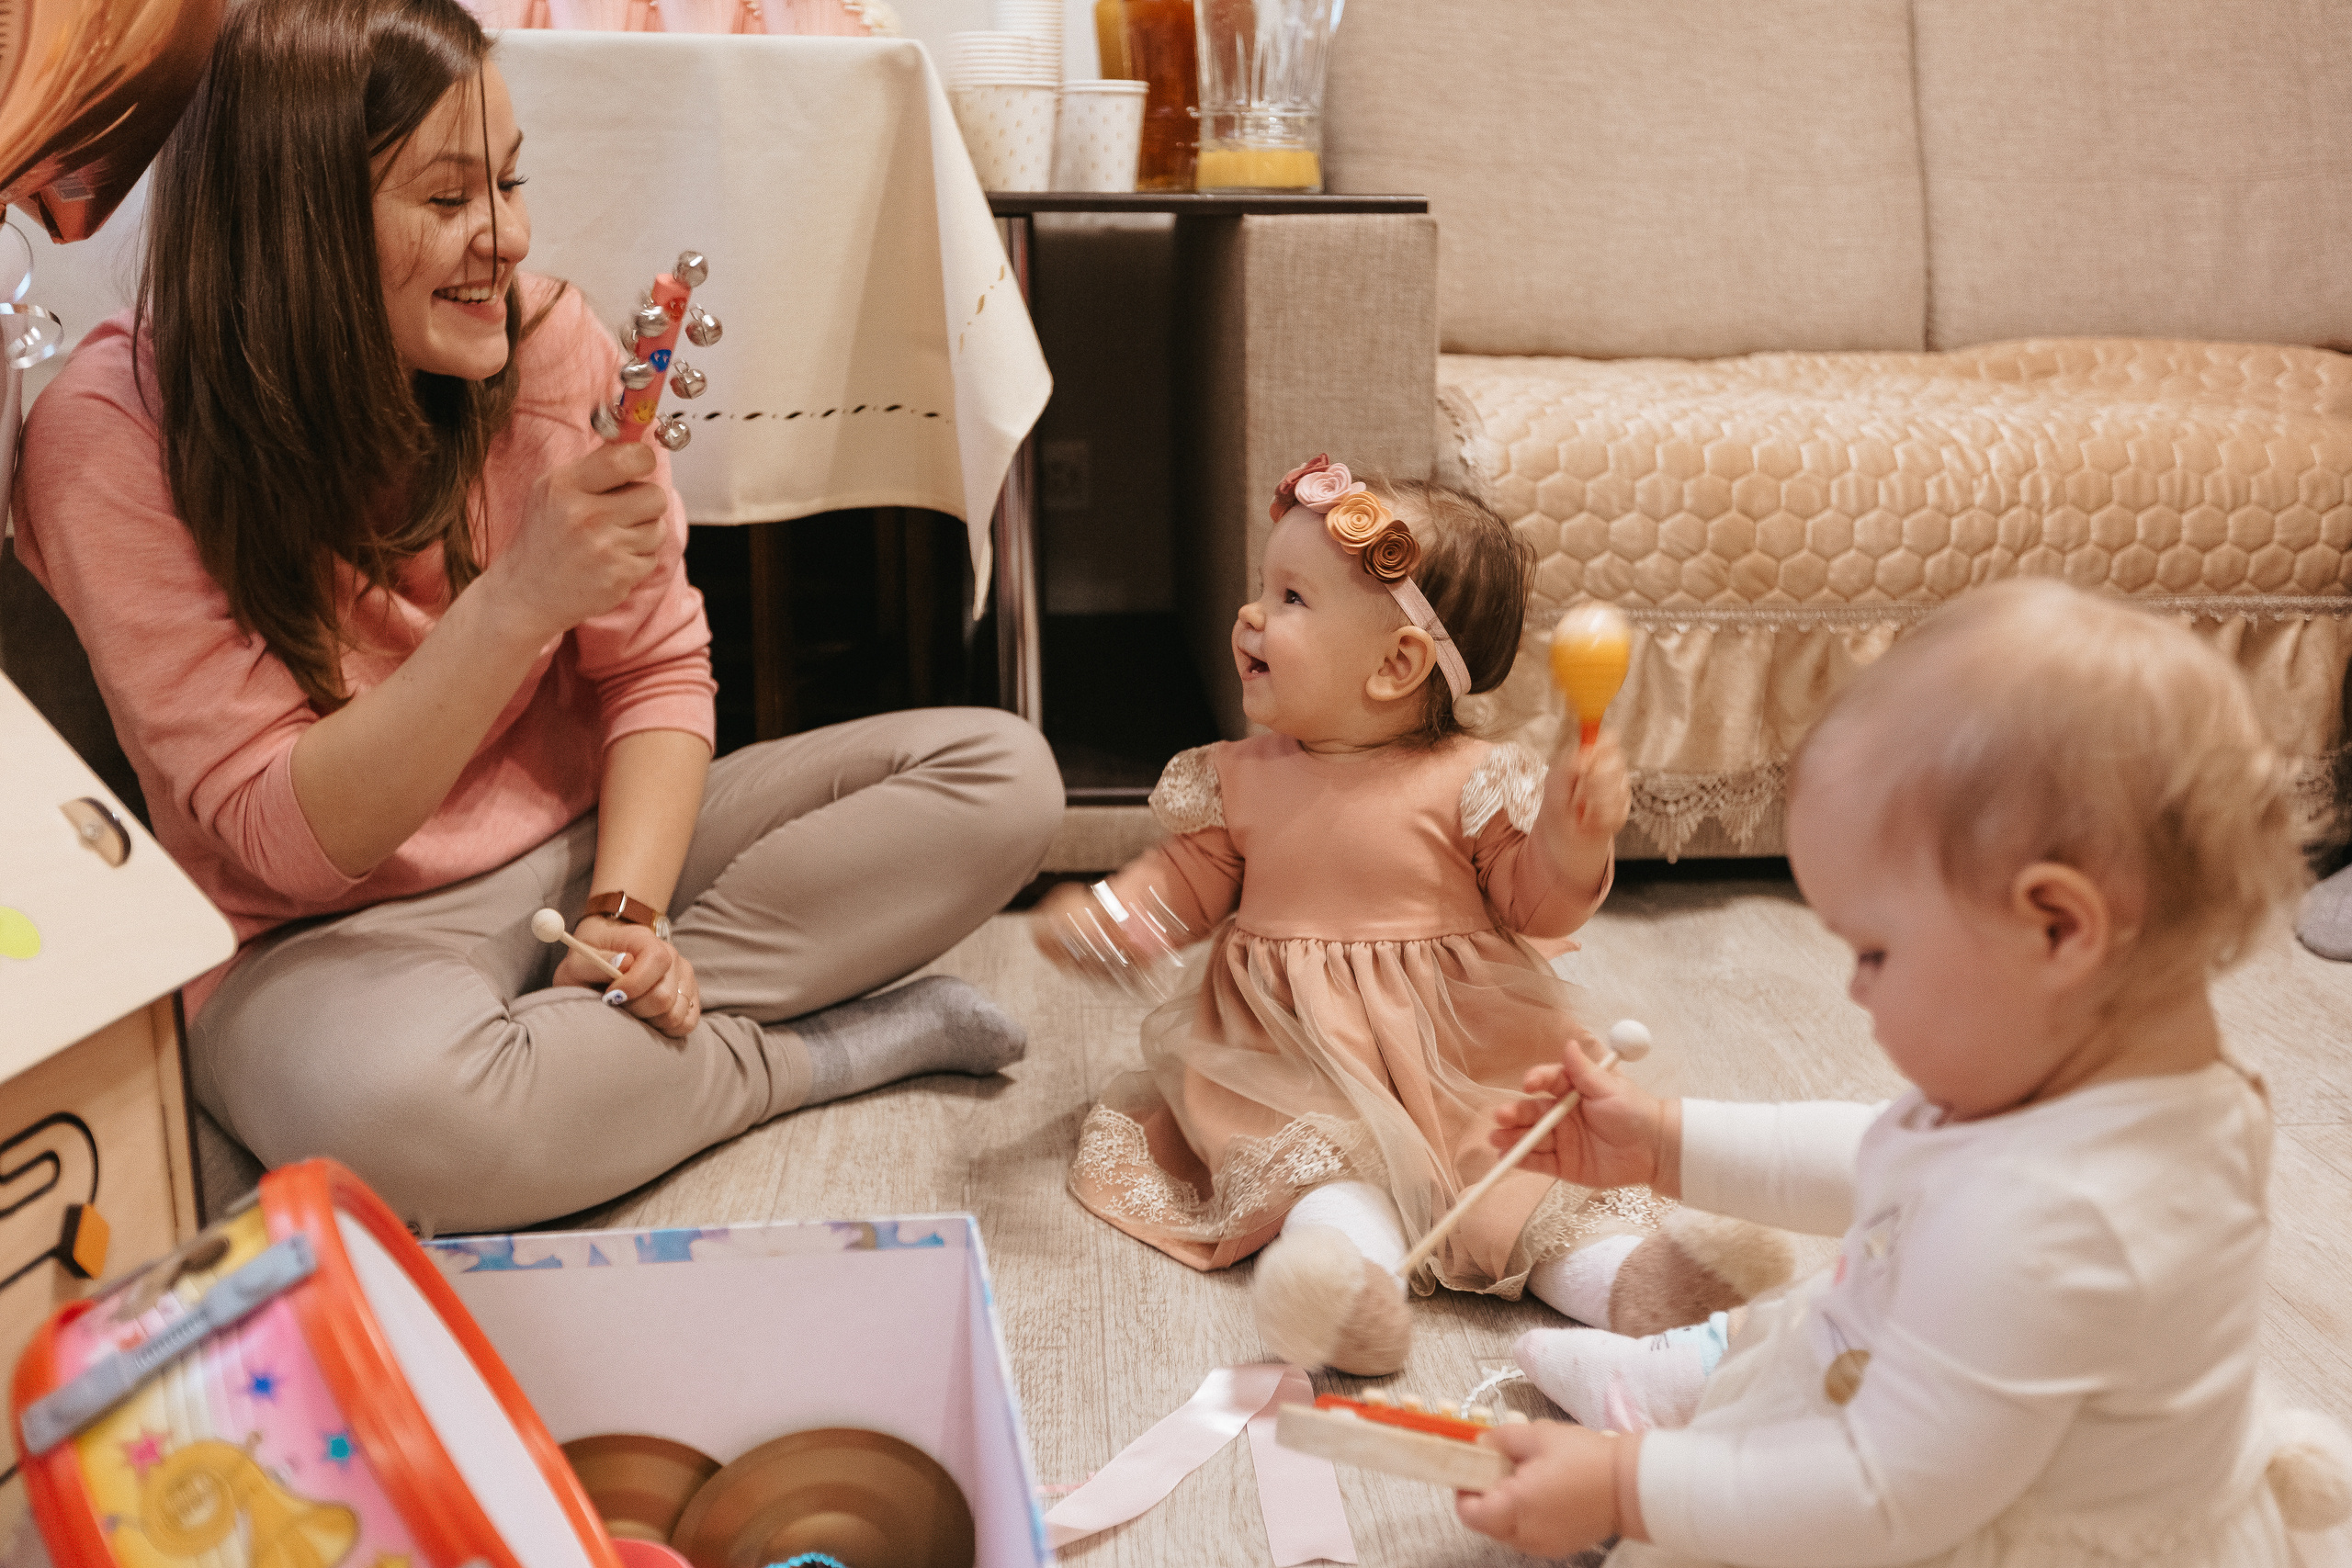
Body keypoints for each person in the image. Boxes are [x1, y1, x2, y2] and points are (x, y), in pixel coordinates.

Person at [11, 0, 1061, 1234]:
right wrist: (519, 599)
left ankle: (601, 1042)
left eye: (509, 183)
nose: (507, 238)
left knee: (1002, 779)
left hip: (580, 844)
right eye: (448, 197)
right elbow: (285, 842)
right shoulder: (109, 436)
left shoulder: (548, 341)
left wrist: (626, 915)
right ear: (296, 220)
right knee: (399, 1112)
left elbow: (656, 671)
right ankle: (810, 1053)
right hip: (313, 939)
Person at [1459, 579, 2352, 1566]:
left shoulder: (2057, 1225)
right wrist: (1664, 1143)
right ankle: (1690, 1386)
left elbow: (1872, 1499)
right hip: (1946, 1448)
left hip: (1965, 1525)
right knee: (1810, 1334)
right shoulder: (2125, 1084)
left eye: (1875, 951)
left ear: (2057, 929)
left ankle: (1668, 1423)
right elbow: (1890, 1158)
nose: (1854, 986)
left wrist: (1628, 1489)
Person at [1039, 457, 1787, 1331]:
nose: (1251, 615)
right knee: (1316, 1167)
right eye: (1264, 588)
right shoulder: (1238, 778)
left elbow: (1535, 906)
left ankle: (1626, 1280)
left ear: (1397, 663)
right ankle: (1350, 1288)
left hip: (1458, 1047)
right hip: (1291, 1053)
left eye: (1291, 598)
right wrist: (1115, 919)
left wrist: (1573, 838)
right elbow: (1182, 883)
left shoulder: (1472, 779)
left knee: (1516, 1168)